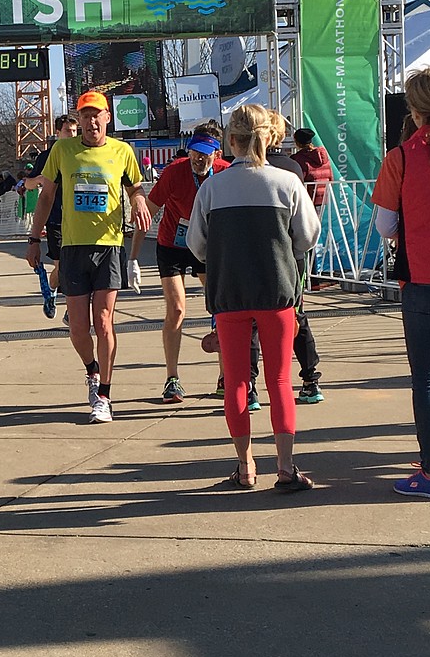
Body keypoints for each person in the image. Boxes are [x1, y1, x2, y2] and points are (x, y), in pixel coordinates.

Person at [186, 104, 321, 491]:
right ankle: (285, 467)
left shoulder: (213, 186)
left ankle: (245, 467)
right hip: (276, 292)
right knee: (280, 379)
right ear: (271, 137)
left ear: (231, 141)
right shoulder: (286, 182)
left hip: (229, 294)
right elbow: (308, 237)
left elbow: (197, 244)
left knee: (236, 382)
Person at [26, 91, 151, 423]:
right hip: (73, 248)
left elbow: (136, 187)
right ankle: (92, 370)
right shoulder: (63, 150)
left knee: (105, 322)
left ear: (108, 117)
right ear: (78, 120)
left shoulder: (123, 151)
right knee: (78, 328)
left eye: (97, 115)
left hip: (109, 246)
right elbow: (46, 196)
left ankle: (105, 396)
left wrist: (138, 199)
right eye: (85, 116)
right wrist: (33, 238)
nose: (91, 121)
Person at [372, 67, 430, 498]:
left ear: (413, 109)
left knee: (428, 379)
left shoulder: (400, 157)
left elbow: (384, 226)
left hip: (423, 279)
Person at [129, 128, 230, 403]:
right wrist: (132, 258)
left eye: (205, 155)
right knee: (176, 309)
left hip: (205, 248)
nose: (198, 159)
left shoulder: (225, 172)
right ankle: (172, 378)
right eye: (195, 152)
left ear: (216, 155)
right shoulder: (175, 171)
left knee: (219, 309)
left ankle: (225, 375)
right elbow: (146, 214)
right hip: (172, 245)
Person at [266, 111, 324, 403]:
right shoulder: (293, 167)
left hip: (263, 255)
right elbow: (306, 226)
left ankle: (249, 386)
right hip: (292, 254)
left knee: (252, 319)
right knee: (297, 313)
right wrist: (298, 250)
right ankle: (311, 378)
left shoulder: (281, 167)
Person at [23, 113, 79, 318]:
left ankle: (71, 308)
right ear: (57, 133)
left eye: (74, 131)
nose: (72, 135)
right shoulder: (47, 157)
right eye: (67, 131)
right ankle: (53, 293)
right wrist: (38, 179)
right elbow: (27, 184)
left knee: (75, 267)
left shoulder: (81, 154)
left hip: (79, 219)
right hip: (56, 218)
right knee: (62, 266)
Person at [292, 128, 334, 209]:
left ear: (297, 142)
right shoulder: (323, 156)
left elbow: (298, 179)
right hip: (322, 196)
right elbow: (330, 176)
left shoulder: (299, 159)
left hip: (307, 197)